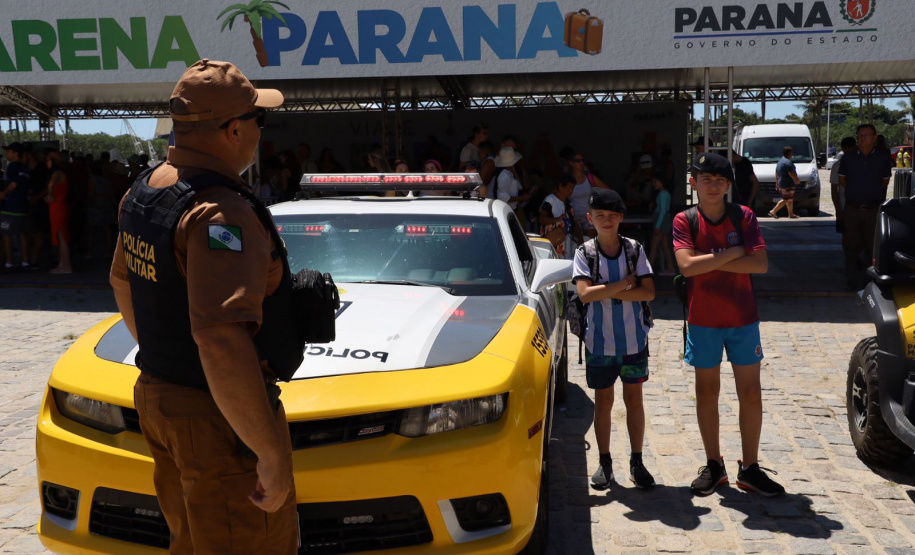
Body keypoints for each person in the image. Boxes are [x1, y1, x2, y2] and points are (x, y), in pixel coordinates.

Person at [109, 59, 297, 554]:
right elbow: (219, 336)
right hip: (216, 419)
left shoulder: (146, 191)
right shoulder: (218, 210)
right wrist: (269, 454)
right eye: (260, 119)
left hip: (162, 397)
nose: (260, 130)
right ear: (234, 129)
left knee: (192, 541)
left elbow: (122, 280)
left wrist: (170, 358)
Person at [673, 152, 783, 498]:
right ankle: (714, 464)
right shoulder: (684, 219)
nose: (712, 185)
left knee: (751, 393)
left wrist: (712, 261)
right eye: (705, 179)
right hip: (703, 320)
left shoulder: (744, 216)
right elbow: (687, 268)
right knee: (707, 393)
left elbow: (761, 264)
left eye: (719, 180)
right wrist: (735, 254)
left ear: (729, 186)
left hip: (742, 318)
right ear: (694, 183)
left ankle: (750, 468)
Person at [573, 188, 656, 490]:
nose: (606, 221)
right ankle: (605, 461)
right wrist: (623, 284)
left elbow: (648, 291)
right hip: (600, 343)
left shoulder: (634, 249)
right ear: (590, 218)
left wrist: (604, 290)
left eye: (611, 216)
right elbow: (584, 294)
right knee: (603, 401)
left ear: (620, 218)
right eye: (600, 216)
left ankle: (637, 460)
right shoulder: (586, 253)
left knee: (634, 400)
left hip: (635, 342)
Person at [838, 123, 893, 290]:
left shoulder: (883, 157)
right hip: (853, 208)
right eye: (860, 135)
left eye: (866, 135)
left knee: (871, 247)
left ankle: (868, 282)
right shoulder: (848, 158)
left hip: (873, 209)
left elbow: (885, 181)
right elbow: (842, 180)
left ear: (875, 138)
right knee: (851, 246)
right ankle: (851, 280)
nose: (862, 138)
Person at [0, 142, 32, 271]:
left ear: (15, 153)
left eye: (9, 151)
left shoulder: (12, 166)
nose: (6, 154)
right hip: (23, 206)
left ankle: (9, 263)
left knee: (5, 233)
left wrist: (3, 193)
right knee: (22, 234)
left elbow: (13, 185)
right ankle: (25, 262)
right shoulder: (24, 168)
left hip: (10, 207)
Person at [568, 151, 609, 239]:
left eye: (583, 160)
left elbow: (608, 191)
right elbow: (557, 195)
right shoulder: (567, 179)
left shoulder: (590, 178)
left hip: (589, 216)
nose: (581, 163)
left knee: (589, 244)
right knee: (574, 245)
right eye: (578, 161)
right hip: (573, 218)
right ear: (571, 163)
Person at [44, 150, 72, 274]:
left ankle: (66, 266)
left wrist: (49, 194)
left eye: (47, 160)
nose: (46, 162)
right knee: (61, 237)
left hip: (58, 207)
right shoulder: (61, 173)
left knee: (61, 237)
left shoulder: (57, 173)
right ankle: (62, 264)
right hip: (59, 206)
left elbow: (51, 184)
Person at [539, 174, 576, 258]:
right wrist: (558, 219)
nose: (571, 190)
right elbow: (541, 219)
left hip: (565, 245)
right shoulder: (550, 200)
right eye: (568, 187)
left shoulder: (569, 203)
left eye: (572, 188)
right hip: (552, 246)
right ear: (560, 186)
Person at [830, 137, 857, 235]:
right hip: (844, 206)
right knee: (847, 236)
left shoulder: (862, 163)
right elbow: (834, 190)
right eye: (846, 150)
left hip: (859, 206)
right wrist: (838, 210)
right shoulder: (837, 166)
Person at [648, 178, 675, 276]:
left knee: (654, 246)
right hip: (663, 220)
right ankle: (671, 268)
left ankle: (648, 270)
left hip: (661, 221)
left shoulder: (663, 194)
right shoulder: (665, 193)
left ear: (661, 182)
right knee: (665, 246)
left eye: (655, 181)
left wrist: (658, 226)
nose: (654, 184)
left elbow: (663, 210)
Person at [769, 146, 801, 219]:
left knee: (790, 199)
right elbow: (791, 173)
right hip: (788, 184)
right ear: (789, 153)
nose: (792, 154)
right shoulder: (788, 162)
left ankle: (791, 214)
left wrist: (776, 183)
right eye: (792, 152)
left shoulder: (780, 162)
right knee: (786, 199)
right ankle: (773, 211)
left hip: (782, 183)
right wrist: (797, 180)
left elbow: (777, 174)